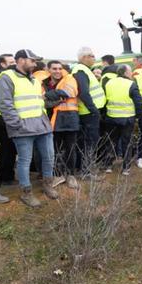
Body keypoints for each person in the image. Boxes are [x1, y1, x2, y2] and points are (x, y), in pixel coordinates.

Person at [0, 50, 57, 207]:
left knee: (49, 157)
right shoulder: (7, 78)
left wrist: (46, 122)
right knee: (24, 161)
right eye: (32, 60)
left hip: (42, 127)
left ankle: (47, 185)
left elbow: (39, 102)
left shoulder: (35, 80)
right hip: (23, 129)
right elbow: (4, 104)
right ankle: (27, 193)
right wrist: (17, 125)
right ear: (21, 60)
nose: (35, 63)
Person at [42, 60, 80, 190]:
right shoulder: (44, 83)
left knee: (70, 148)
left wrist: (48, 95)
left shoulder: (69, 78)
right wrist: (57, 100)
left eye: (59, 68)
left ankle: (70, 175)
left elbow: (69, 93)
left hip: (69, 119)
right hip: (50, 120)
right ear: (49, 69)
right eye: (54, 69)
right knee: (54, 150)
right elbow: (44, 103)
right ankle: (58, 175)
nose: (57, 71)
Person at [102, 65, 142, 175]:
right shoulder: (131, 84)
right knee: (127, 143)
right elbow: (138, 102)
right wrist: (138, 116)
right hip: (127, 119)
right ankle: (126, 168)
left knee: (111, 142)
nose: (131, 74)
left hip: (111, 117)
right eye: (130, 71)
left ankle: (108, 166)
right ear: (125, 73)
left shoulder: (109, 83)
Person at [72, 47, 106, 177]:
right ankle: (86, 171)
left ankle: (83, 169)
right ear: (83, 57)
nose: (94, 58)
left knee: (88, 142)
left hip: (89, 112)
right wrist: (94, 111)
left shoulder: (85, 70)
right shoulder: (80, 71)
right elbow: (84, 93)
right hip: (88, 113)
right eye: (92, 56)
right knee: (89, 143)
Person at [0, 54, 17, 194]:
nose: (14, 64)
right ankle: (6, 179)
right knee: (8, 149)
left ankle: (5, 178)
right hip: (0, 117)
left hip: (1, 117)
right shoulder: (4, 78)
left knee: (7, 149)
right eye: (11, 62)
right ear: (2, 64)